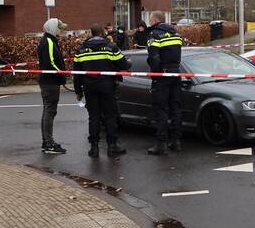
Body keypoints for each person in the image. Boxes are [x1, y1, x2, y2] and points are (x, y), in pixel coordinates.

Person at [74, 24, 132, 158]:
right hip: (107, 87)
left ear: (91, 33)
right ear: (102, 32)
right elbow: (123, 64)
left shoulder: (81, 50)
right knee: (110, 116)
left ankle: (94, 148)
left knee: (94, 117)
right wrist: (128, 63)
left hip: (90, 88)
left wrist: (78, 91)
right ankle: (112, 146)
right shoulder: (110, 47)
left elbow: (76, 73)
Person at [146, 11, 184, 156]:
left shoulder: (155, 34)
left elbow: (153, 56)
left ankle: (161, 144)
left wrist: (155, 73)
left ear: (155, 20)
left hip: (162, 74)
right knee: (175, 107)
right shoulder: (175, 33)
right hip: (176, 72)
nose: (149, 22)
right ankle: (176, 141)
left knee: (160, 109)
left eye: (150, 20)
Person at [38, 18, 69, 154]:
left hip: (48, 81)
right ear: (52, 28)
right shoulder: (49, 42)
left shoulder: (49, 41)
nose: (61, 30)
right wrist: (62, 75)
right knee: (50, 112)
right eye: (59, 28)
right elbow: (51, 63)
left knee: (47, 112)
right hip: (50, 82)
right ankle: (49, 144)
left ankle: (47, 142)